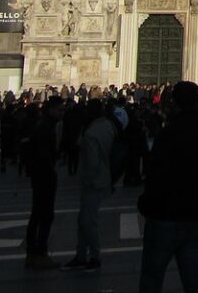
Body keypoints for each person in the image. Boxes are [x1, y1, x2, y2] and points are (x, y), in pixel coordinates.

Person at [138, 81, 198, 293]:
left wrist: (147, 205)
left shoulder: (166, 134)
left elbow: (153, 175)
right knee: (195, 281)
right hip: (196, 217)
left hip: (163, 218)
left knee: (151, 280)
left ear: (174, 103)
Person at [64, 100, 118, 271]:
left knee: (87, 221)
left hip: (93, 182)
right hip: (105, 177)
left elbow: (92, 162)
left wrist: (87, 180)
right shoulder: (109, 126)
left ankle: (93, 256)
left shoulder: (91, 133)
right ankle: (81, 255)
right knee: (84, 220)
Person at [24, 96, 65, 270]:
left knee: (37, 215)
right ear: (51, 110)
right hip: (44, 175)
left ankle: (33, 254)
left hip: (40, 174)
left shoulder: (44, 125)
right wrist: (50, 169)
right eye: (60, 110)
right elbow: (43, 153)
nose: (62, 113)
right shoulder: (45, 128)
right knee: (44, 215)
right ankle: (39, 253)